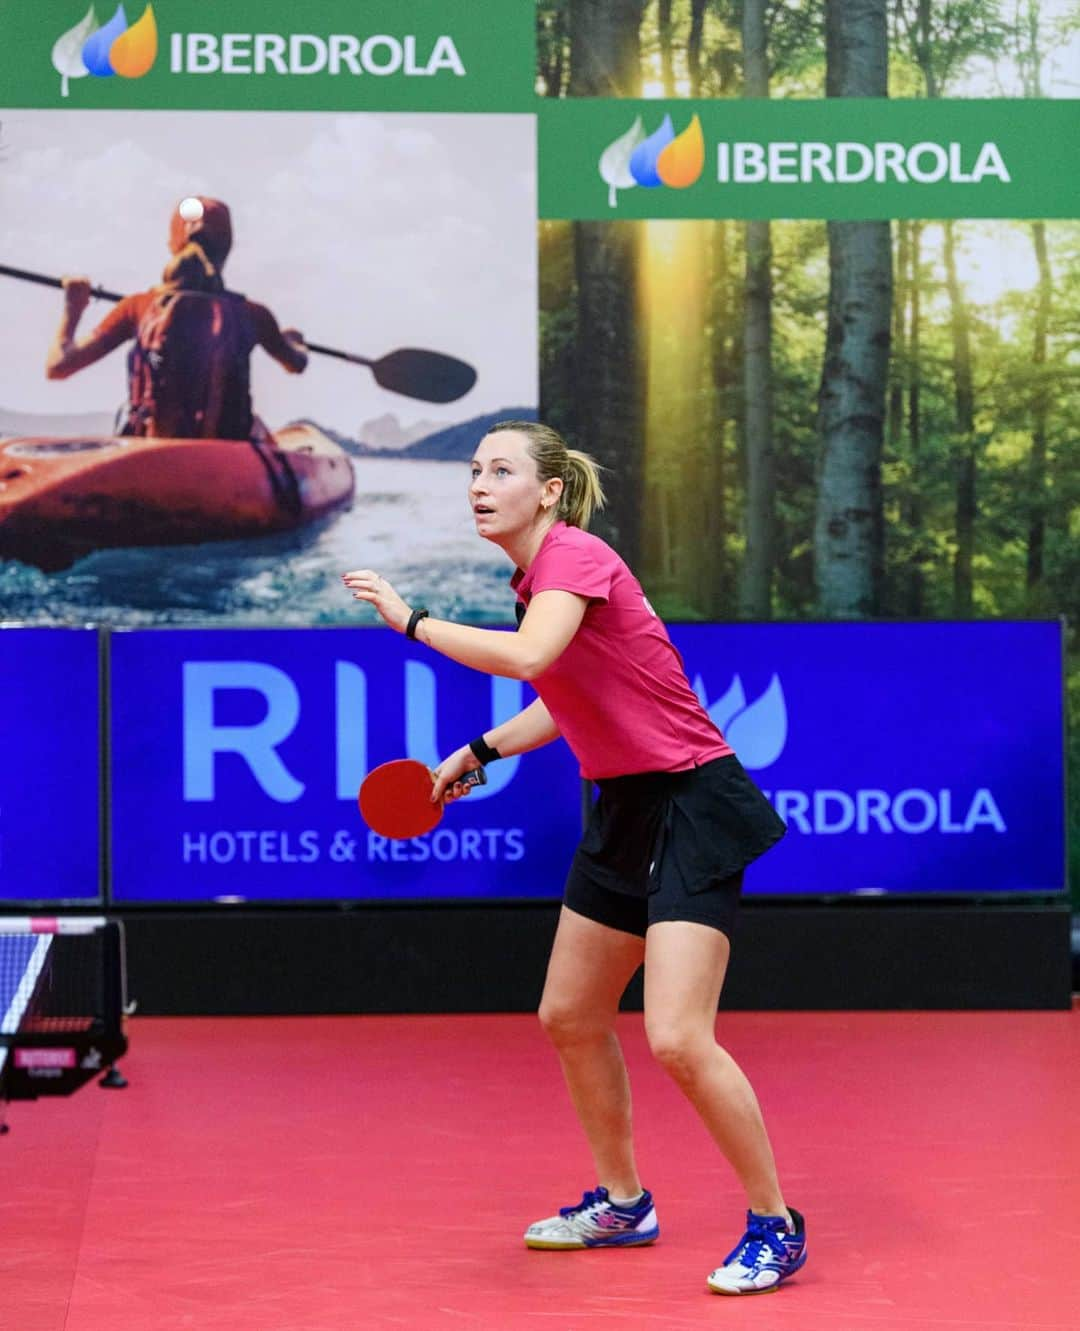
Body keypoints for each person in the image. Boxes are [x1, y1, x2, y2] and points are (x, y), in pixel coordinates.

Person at [342, 420, 806, 1297]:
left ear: (548, 491)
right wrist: (479, 750)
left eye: (501, 470)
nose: (479, 483)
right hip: (625, 805)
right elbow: (566, 696)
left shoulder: (576, 557)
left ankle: (775, 1225)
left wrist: (410, 620)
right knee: (569, 1013)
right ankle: (625, 1204)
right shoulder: (534, 581)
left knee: (676, 1034)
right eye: (473, 470)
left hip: (692, 800)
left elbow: (526, 659)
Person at [45, 196, 308, 440]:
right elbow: (296, 363)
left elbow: (59, 367)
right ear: (227, 248)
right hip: (227, 457)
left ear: (173, 244)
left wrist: (73, 308)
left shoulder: (139, 307)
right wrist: (292, 341)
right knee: (260, 429)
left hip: (150, 452)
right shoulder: (254, 316)